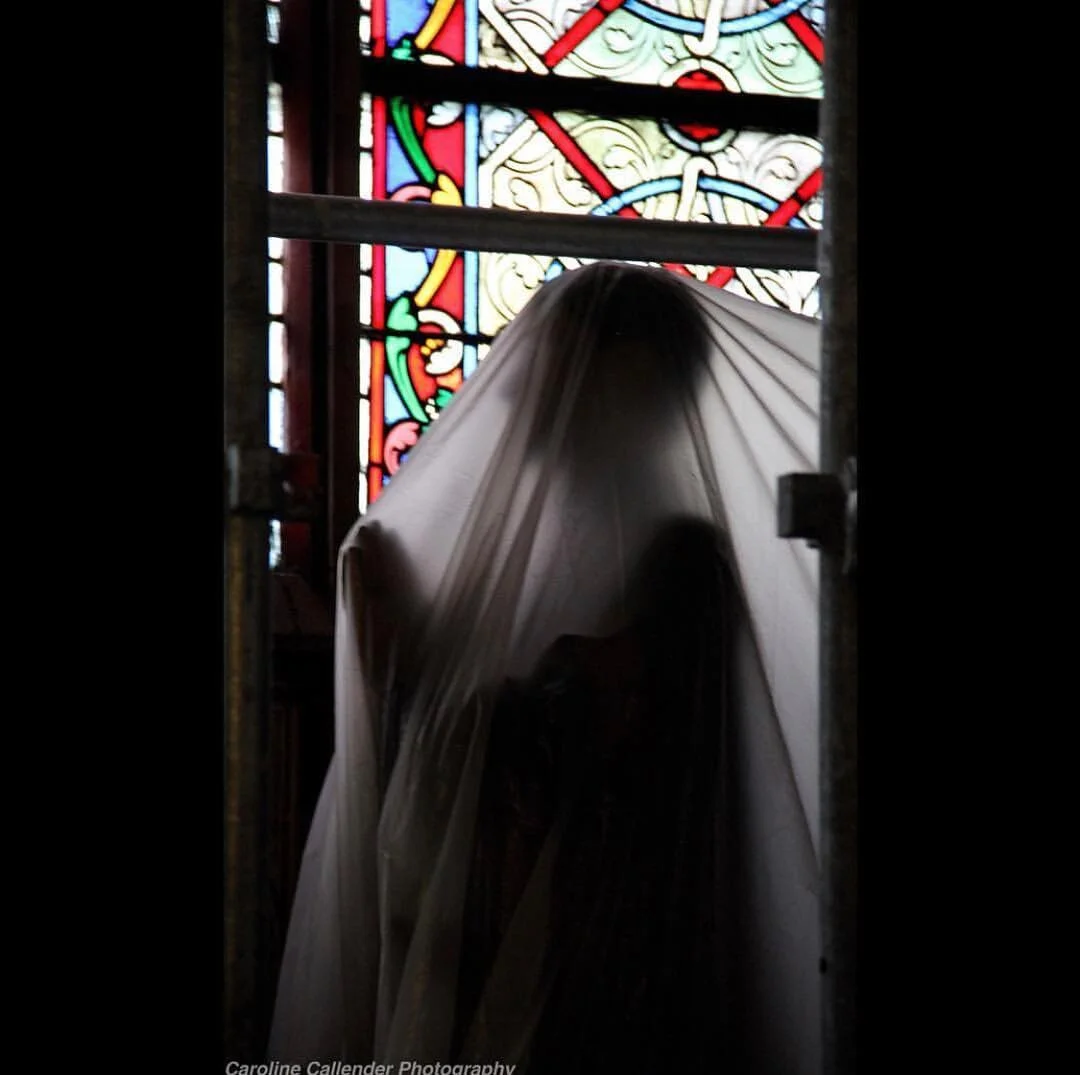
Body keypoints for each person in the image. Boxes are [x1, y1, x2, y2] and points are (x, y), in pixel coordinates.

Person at [269, 263, 823, 1074]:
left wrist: (413, 665)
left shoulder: (682, 562)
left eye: (549, 374)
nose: (511, 397)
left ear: (623, 390)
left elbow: (574, 763)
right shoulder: (559, 552)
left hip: (609, 992)